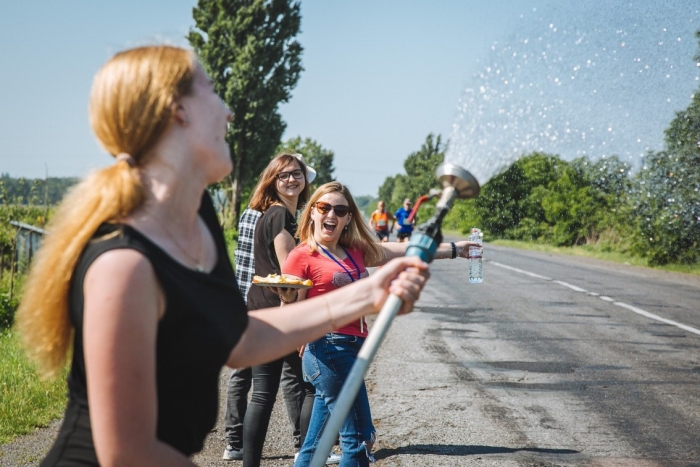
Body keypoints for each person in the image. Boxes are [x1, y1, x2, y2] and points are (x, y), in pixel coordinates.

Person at [14, 45, 430, 467]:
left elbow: (241, 339)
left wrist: (369, 294)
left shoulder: (198, 217)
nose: (228, 112)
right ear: (178, 111)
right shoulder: (122, 264)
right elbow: (128, 453)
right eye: (212, 92)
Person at [282, 182, 478, 467]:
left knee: (316, 446)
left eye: (340, 209)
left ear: (349, 217)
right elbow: (288, 309)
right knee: (360, 439)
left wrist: (454, 249)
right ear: (312, 212)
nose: (331, 215)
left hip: (352, 350)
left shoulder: (354, 251)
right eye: (324, 208)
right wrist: (291, 308)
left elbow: (404, 250)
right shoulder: (301, 255)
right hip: (327, 351)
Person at [223, 154, 316, 462]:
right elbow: (291, 274)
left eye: (297, 174)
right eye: (284, 175)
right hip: (280, 311)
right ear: (273, 181)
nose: (291, 179)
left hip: (262, 311)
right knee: (305, 389)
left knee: (264, 394)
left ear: (305, 179)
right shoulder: (279, 215)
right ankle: (306, 454)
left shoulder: (276, 213)